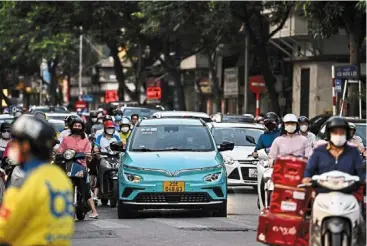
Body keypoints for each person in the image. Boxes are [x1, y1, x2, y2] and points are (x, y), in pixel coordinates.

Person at [0, 115, 74, 245]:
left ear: (26, 146)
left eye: (16, 142)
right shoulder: (60, 177)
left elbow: (4, 230)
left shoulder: (25, 183)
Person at [302, 117, 365, 244]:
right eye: (335, 132)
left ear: (346, 134)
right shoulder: (319, 151)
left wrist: (362, 179)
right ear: (329, 133)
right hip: (323, 193)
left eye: (341, 132)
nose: (338, 135)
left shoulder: (353, 151)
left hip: (349, 194)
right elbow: (309, 170)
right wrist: (307, 178)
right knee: (311, 220)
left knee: (361, 219)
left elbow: (361, 172)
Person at [57, 117, 99, 219]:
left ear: (82, 127)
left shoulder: (85, 140)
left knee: (85, 188)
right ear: (71, 127)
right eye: (75, 125)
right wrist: (58, 154)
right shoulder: (66, 139)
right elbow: (60, 151)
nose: (77, 127)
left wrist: (88, 156)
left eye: (79, 126)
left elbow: (88, 152)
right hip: (67, 165)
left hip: (81, 166)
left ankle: (94, 211)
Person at [93, 120, 121, 201]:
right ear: (105, 129)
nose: (110, 130)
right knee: (99, 175)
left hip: (115, 158)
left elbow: (120, 146)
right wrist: (96, 151)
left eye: (112, 128)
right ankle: (95, 194)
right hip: (103, 157)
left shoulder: (116, 137)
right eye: (109, 128)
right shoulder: (100, 137)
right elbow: (96, 147)